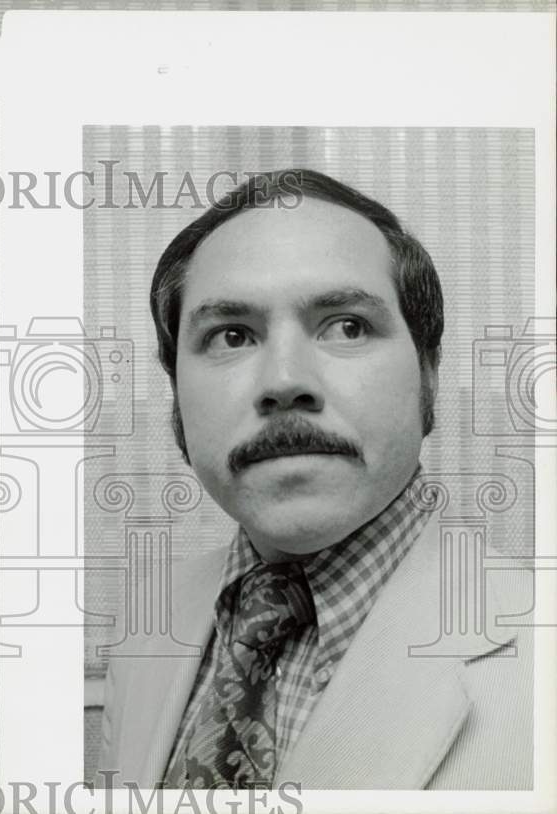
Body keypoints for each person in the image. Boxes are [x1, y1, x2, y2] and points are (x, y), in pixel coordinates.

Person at [96, 169, 533, 791]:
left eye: (347, 325)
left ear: (428, 379)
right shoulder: (147, 619)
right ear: (176, 402)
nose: (283, 380)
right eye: (231, 335)